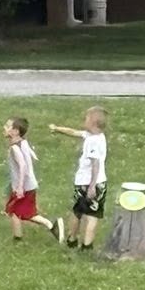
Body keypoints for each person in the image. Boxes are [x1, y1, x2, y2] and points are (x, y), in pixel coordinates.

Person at [48, 106, 108, 250]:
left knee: (80, 212)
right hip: (99, 182)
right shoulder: (95, 136)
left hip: (88, 183)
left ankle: (74, 239)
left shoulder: (94, 141)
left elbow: (95, 164)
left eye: (86, 119)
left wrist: (92, 186)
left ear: (93, 122)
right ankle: (86, 244)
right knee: (92, 213)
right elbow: (74, 132)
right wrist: (57, 129)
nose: (84, 121)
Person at [3, 118, 63, 245]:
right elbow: (33, 157)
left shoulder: (15, 148)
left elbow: (22, 166)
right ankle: (49, 225)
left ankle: (19, 239)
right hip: (29, 185)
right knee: (23, 213)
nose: (4, 128)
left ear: (15, 131)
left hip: (23, 186)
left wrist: (19, 187)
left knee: (15, 212)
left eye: (8, 126)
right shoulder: (23, 142)